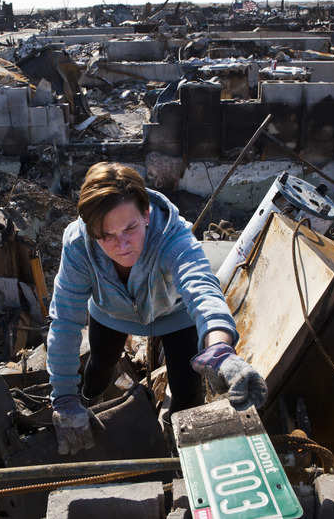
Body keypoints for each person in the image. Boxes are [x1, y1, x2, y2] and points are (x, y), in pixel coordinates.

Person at [46, 162, 268, 455]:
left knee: (188, 394)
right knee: (97, 369)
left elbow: (202, 289)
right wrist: (64, 399)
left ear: (146, 214)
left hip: (175, 317)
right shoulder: (78, 245)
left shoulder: (172, 237)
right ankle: (88, 405)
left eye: (130, 228)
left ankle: (178, 455)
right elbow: (65, 321)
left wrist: (221, 351)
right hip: (109, 313)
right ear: (90, 230)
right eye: (107, 236)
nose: (122, 245)